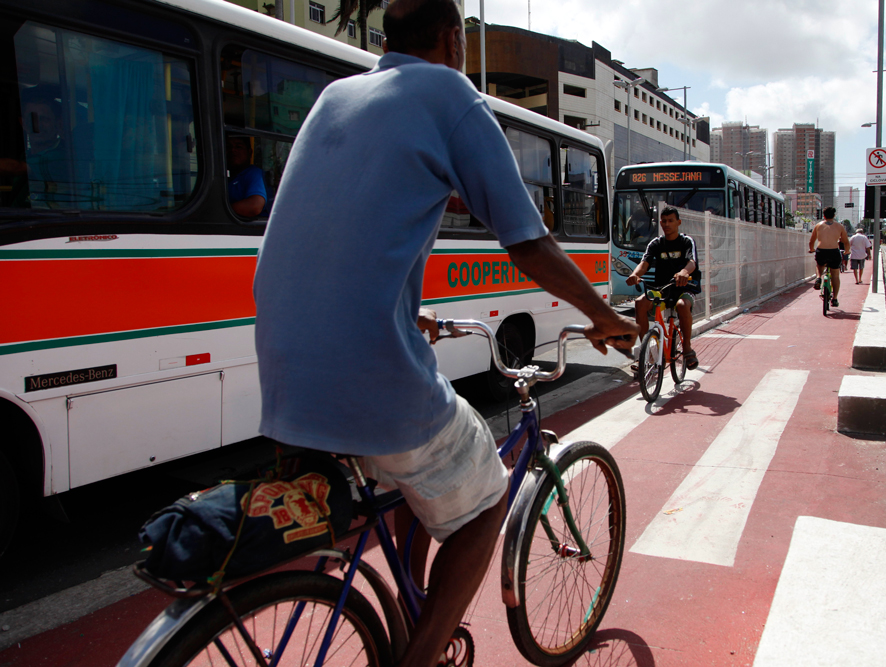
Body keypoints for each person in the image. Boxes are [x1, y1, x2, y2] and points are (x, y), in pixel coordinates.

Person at [251, 2, 637, 666]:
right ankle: (421, 657)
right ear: (454, 39)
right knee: (486, 498)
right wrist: (604, 315)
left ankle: (409, 608)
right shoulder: (448, 92)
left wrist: (414, 314)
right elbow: (529, 241)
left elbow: (347, 232)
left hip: (281, 366)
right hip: (365, 369)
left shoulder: (335, 96)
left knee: (418, 476)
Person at [624, 206, 700, 370]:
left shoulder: (687, 241)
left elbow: (692, 262)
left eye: (671, 221)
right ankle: (647, 355)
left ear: (678, 222)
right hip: (662, 288)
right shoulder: (656, 243)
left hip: (684, 287)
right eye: (664, 221)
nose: (667, 224)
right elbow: (644, 264)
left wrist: (683, 272)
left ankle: (687, 348)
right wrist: (635, 275)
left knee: (681, 305)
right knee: (640, 303)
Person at [808, 207, 850, 308]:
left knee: (819, 266)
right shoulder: (839, 226)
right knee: (835, 275)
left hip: (821, 250)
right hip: (834, 252)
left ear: (824, 215)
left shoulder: (818, 225)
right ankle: (835, 299)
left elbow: (812, 241)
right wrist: (847, 251)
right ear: (834, 215)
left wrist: (811, 249)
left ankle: (818, 278)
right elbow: (846, 241)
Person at [226, 135, 266, 217]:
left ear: (250, 152)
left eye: (239, 147)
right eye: (229, 147)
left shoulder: (253, 173)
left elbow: (254, 206)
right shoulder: (229, 177)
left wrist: (221, 210)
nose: (233, 150)